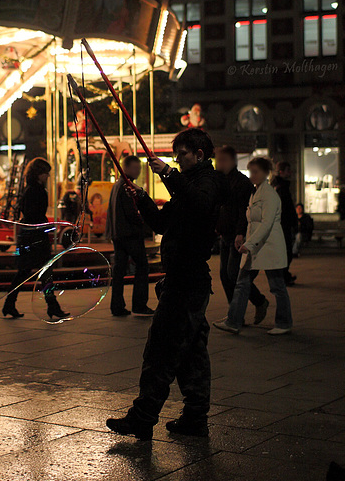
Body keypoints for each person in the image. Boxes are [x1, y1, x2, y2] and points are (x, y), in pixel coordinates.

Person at [106, 129, 227, 441]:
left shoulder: (206, 182)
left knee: (161, 348)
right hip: (183, 280)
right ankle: (195, 418)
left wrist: (171, 175)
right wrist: (144, 200)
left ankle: (143, 418)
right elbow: (162, 223)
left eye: (183, 154)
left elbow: (200, 206)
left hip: (187, 282)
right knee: (192, 353)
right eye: (177, 155)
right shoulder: (186, 186)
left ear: (199, 154)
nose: (178, 159)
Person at [213, 157, 293, 336]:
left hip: (269, 247)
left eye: (256, 172)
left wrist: (249, 244)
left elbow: (266, 224)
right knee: (242, 283)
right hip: (256, 247)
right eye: (251, 172)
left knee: (277, 286)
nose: (252, 175)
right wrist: (242, 239)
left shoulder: (269, 195)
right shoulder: (255, 193)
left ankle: (284, 322)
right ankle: (233, 321)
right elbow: (252, 223)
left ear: (266, 173)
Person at [2, 158, 70, 321]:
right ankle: (51, 306)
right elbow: (35, 214)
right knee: (43, 272)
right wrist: (45, 225)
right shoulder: (38, 191)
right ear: (39, 174)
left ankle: (11, 304)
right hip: (36, 236)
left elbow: (27, 213)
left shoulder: (29, 189)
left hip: (29, 235)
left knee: (26, 272)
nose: (47, 176)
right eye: (45, 173)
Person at [215, 146, 268, 325]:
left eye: (222, 160)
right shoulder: (220, 181)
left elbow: (243, 211)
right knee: (224, 275)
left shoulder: (241, 183)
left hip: (238, 236)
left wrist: (240, 232)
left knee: (233, 274)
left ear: (232, 161)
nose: (218, 163)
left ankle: (258, 301)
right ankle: (235, 313)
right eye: (217, 159)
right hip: (225, 234)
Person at [105, 155, 153, 317]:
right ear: (125, 168)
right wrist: (144, 225)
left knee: (119, 270)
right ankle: (139, 304)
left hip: (118, 234)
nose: (138, 171)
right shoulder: (127, 187)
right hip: (130, 234)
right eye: (135, 168)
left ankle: (117, 305)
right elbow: (131, 213)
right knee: (142, 266)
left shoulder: (117, 186)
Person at [270, 161, 298, 286]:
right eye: (287, 170)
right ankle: (283, 276)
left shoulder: (279, 186)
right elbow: (285, 207)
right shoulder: (281, 187)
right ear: (281, 172)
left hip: (283, 223)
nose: (290, 173)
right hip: (283, 224)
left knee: (286, 251)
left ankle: (283, 275)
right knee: (286, 251)